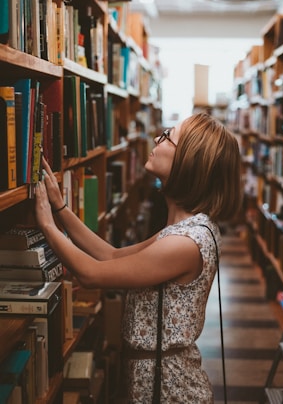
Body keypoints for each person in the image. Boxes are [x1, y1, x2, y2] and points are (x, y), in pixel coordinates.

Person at [35, 112, 242, 403]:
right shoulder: (184, 230)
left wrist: (45, 225)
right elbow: (110, 255)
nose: (157, 138)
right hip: (154, 378)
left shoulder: (185, 243)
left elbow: (91, 274)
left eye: (168, 135)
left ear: (188, 161)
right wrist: (59, 208)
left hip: (171, 389)